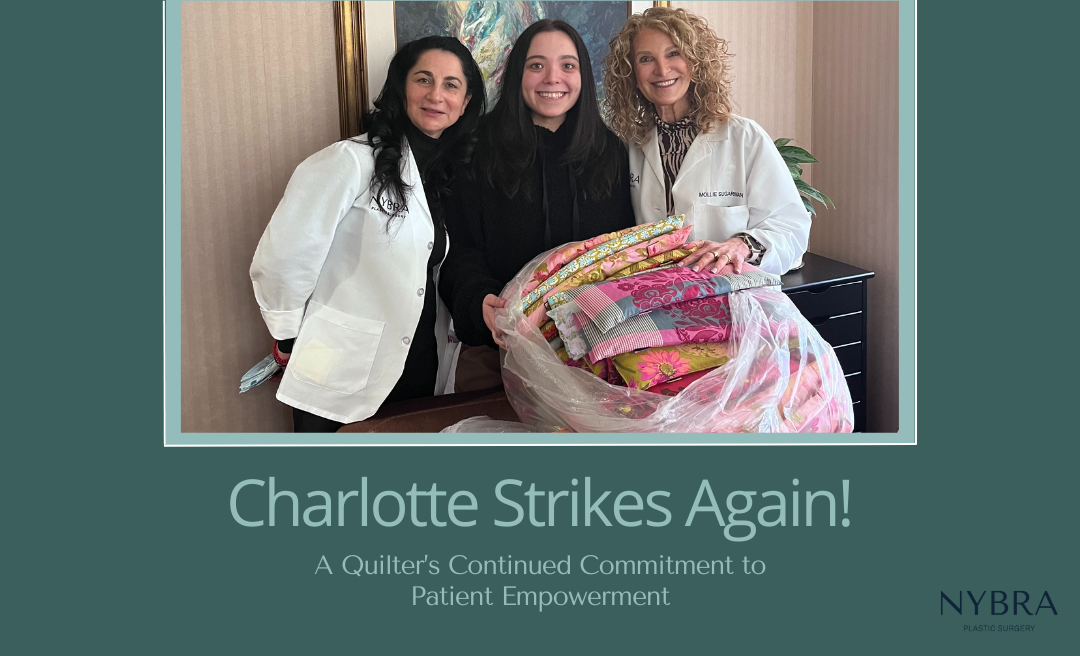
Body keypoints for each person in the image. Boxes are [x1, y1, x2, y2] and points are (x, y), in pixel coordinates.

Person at [249, 37, 486, 432]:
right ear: (401, 88)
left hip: (418, 365)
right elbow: (282, 258)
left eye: (451, 85)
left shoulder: (448, 177)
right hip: (339, 370)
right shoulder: (349, 162)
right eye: (423, 79)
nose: (435, 95)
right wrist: (287, 340)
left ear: (465, 103)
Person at [439, 19, 635, 369]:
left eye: (567, 65)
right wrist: (478, 300)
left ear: (583, 77)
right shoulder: (478, 148)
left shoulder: (611, 153)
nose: (552, 78)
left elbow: (625, 252)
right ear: (517, 74)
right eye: (536, 65)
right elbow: (459, 249)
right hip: (500, 348)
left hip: (599, 352)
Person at [603, 7, 810, 276]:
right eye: (646, 59)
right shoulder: (627, 145)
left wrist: (741, 245)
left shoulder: (744, 138)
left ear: (696, 62)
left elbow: (790, 226)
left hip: (729, 297)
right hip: (653, 299)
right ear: (631, 73)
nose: (662, 69)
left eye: (673, 53)